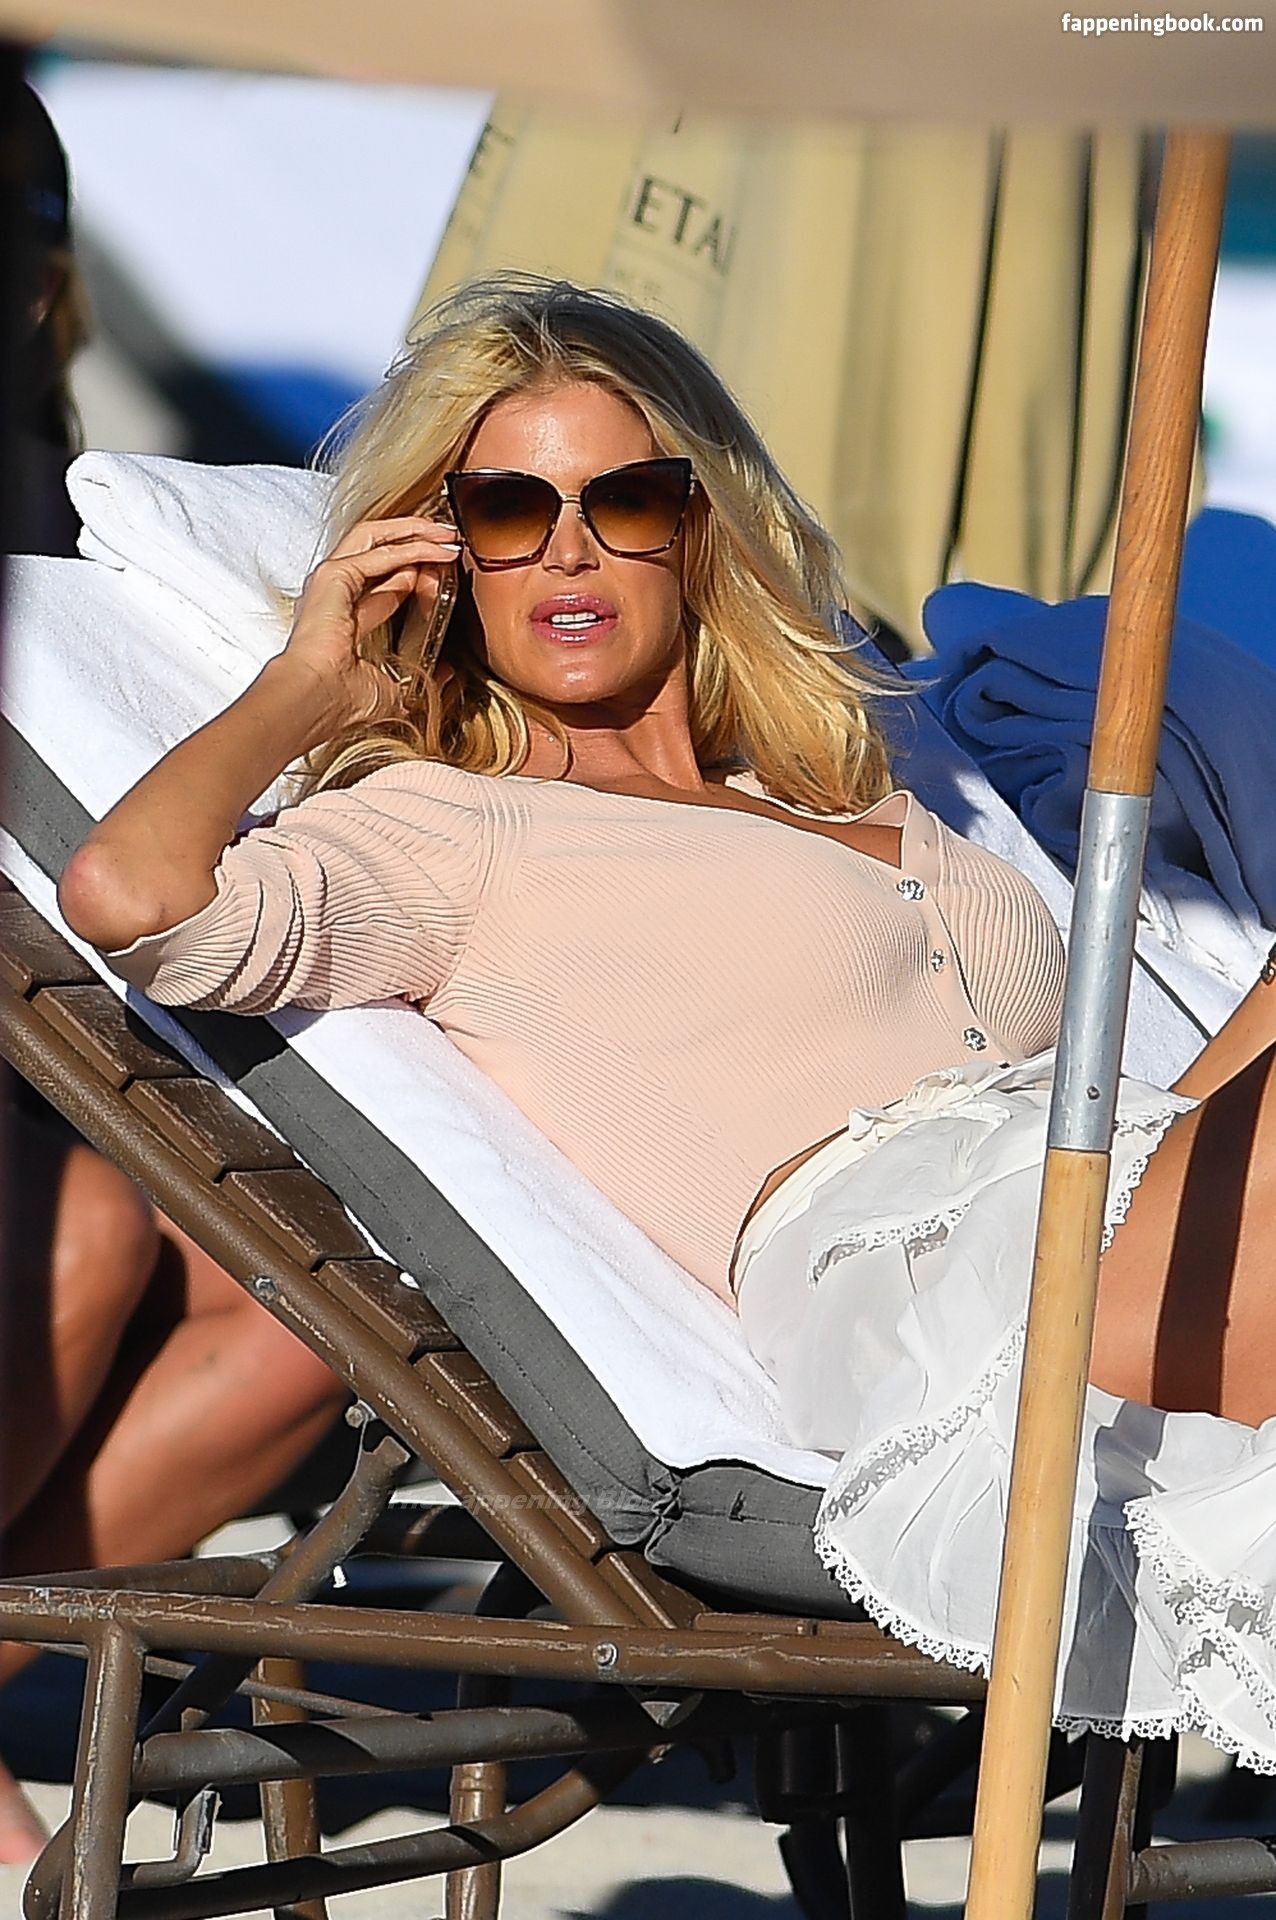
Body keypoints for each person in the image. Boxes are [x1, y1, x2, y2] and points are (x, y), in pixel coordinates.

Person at [56, 273, 1276, 1753]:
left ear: (700, 528)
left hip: (1119, 1207)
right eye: (508, 509)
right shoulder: (453, 829)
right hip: (952, 1289)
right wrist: (310, 681)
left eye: (624, 499)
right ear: (450, 552)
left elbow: (1153, 1122)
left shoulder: (846, 791)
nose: (567, 549)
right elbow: (132, 895)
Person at [0, 84, 349, 1867]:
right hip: (52, 1048)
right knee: (82, 1237)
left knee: (300, 1322)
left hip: (98, 1020)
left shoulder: (87, 501)